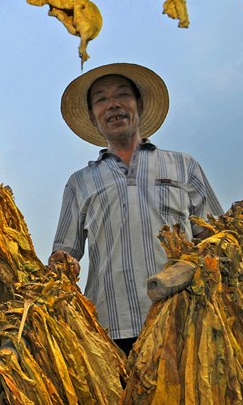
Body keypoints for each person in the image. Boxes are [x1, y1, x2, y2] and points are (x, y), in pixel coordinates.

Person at [49, 63, 223, 355]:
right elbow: (65, 253)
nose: (113, 104)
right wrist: (62, 263)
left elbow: (215, 238)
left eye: (122, 94)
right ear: (93, 116)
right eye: (101, 99)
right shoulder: (80, 182)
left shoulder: (183, 165)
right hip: (111, 326)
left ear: (138, 104)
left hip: (186, 315)